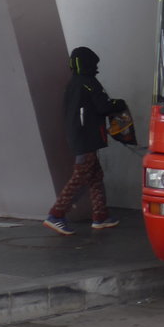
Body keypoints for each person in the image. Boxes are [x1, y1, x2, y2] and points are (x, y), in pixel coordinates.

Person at [43, 47, 123, 235]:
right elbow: (103, 106)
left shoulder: (74, 83)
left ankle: (100, 216)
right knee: (80, 177)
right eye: (95, 64)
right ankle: (56, 215)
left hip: (79, 135)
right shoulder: (89, 82)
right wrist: (119, 104)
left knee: (95, 176)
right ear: (89, 64)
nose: (97, 67)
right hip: (87, 137)